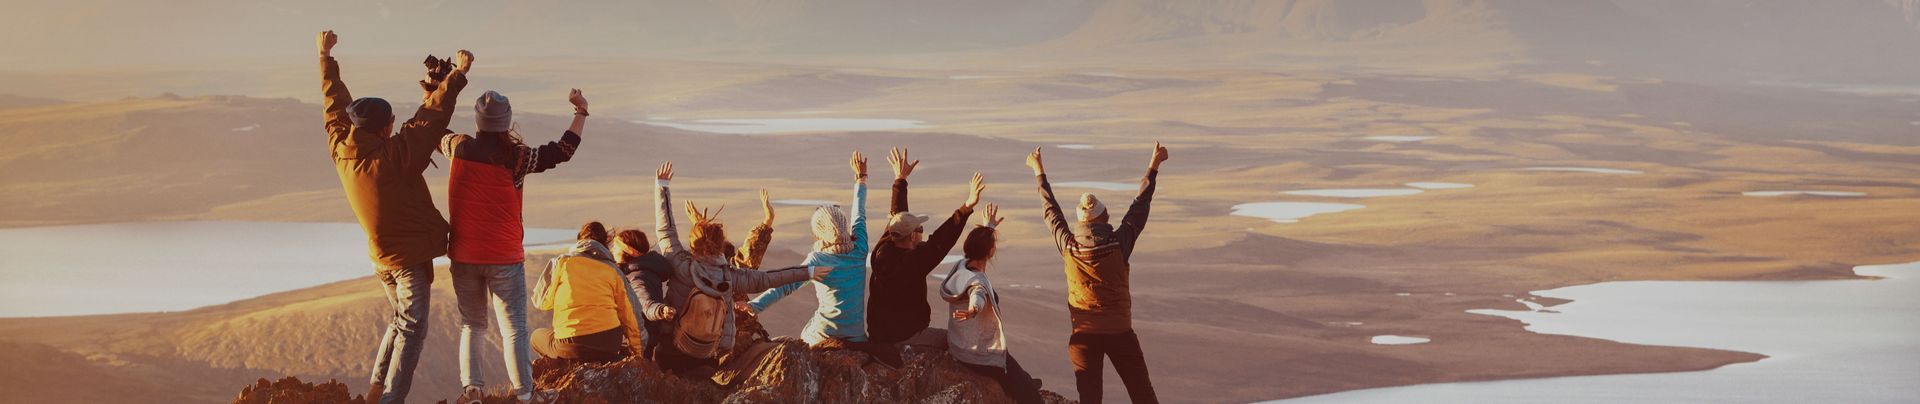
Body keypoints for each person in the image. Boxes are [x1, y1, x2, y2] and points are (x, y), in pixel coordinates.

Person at [316, 30, 470, 404]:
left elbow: (335, 107)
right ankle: (390, 399)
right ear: (384, 127)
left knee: (400, 321)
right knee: (414, 328)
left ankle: (375, 389)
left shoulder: (342, 149)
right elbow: (429, 120)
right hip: (405, 261)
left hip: (379, 258)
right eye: (391, 123)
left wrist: (325, 57)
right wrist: (457, 76)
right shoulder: (392, 159)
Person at [441, 88, 587, 403]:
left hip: (464, 255)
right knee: (515, 330)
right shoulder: (518, 158)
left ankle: (472, 391)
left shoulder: (458, 147)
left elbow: (436, 131)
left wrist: (433, 92)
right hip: (504, 258)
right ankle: (524, 394)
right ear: (506, 123)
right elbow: (563, 150)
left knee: (472, 324)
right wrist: (580, 112)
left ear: (478, 121)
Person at [651, 162, 830, 374]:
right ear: (721, 246)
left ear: (693, 244)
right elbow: (769, 279)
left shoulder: (681, 265)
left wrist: (662, 186)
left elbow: (665, 231)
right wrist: (807, 272)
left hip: (671, 354)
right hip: (706, 359)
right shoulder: (731, 276)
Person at [1027, 142, 1168, 404]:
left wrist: (1039, 171)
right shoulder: (1119, 244)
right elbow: (1140, 207)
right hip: (1120, 332)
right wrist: (1154, 165)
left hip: (1083, 336)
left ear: (1081, 221)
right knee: (1142, 394)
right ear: (1105, 217)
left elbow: (1051, 212)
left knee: (1090, 398)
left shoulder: (1068, 246)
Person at [748, 151, 894, 364]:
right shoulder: (860, 247)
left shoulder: (818, 259)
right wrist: (860, 179)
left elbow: (785, 286)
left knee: (803, 336)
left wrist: (755, 306)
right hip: (856, 335)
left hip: (825, 334)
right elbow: (859, 214)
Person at [868, 147, 984, 348]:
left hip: (879, 332)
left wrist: (900, 179)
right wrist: (967, 207)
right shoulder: (912, 263)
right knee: (960, 342)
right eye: (919, 228)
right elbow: (941, 241)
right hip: (904, 336)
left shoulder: (884, 247)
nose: (923, 231)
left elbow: (898, 216)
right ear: (912, 235)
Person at [941, 204, 1043, 404]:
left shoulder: (961, 266)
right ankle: (1027, 390)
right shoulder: (977, 280)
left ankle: (1025, 382)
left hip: (959, 344)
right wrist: (973, 309)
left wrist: (988, 226)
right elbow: (977, 294)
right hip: (978, 353)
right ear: (990, 251)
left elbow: (977, 248)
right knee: (1031, 396)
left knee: (1018, 373)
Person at [529, 232, 643, 364]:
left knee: (535, 337)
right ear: (605, 244)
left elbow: (542, 303)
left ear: (579, 242)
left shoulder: (563, 263)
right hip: (609, 344)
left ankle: (563, 365)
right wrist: (637, 354)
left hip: (571, 344)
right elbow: (629, 316)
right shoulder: (612, 270)